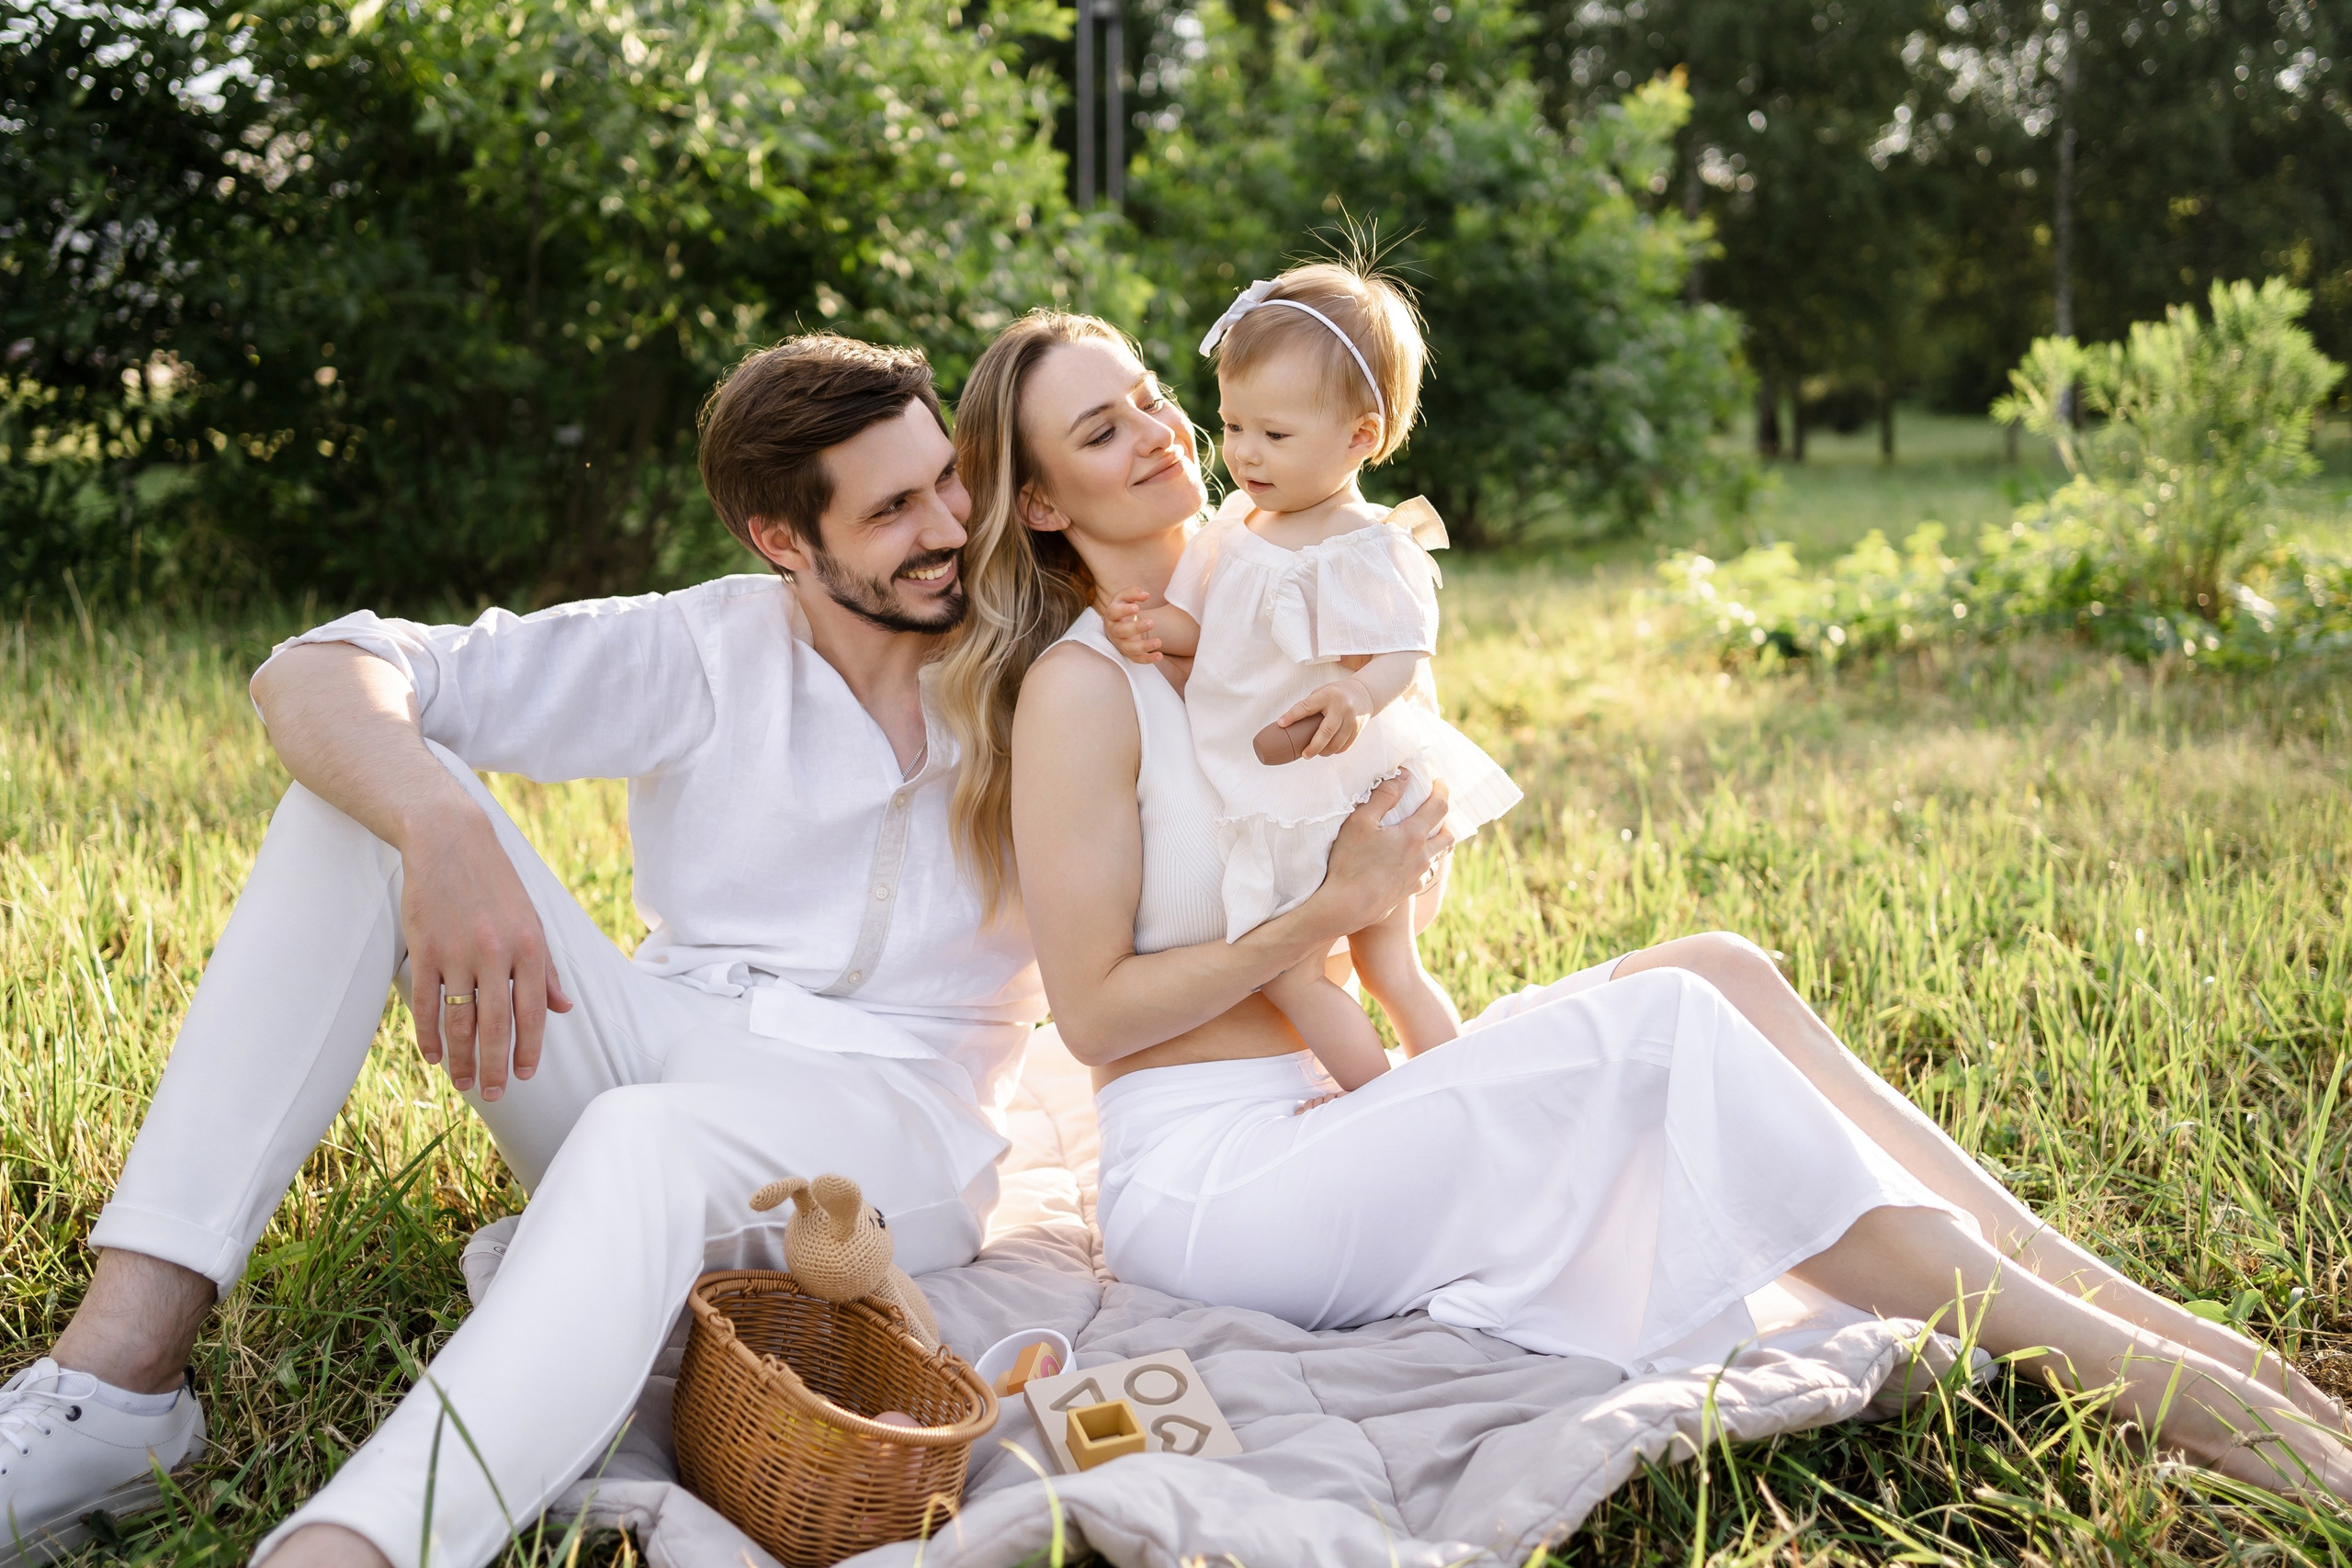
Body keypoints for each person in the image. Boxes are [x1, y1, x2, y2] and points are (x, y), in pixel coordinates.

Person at [951, 308, 2352, 1499]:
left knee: (1717, 962)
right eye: (1100, 430)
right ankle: (2145, 1377)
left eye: (1149, 395)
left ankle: (2139, 1309)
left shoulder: (1256, 581)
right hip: (1218, 1171)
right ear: (1043, 505)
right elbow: (1094, 1015)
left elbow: (1371, 738)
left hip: (1340, 1092)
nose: (1159, 430)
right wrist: (1332, 912)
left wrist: (1389, 858)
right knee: (1664, 1028)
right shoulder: (1082, 687)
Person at [0, 334, 1046, 1568]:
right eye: (894, 509)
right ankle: (116, 1384)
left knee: (644, 1135)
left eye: (946, 480)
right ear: (782, 542)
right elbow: (317, 669)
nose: (949, 523)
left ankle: (356, 1546)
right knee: (366, 796)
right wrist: (440, 823)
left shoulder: (1043, 653)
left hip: (892, 1122)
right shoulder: (706, 647)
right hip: (663, 1040)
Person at [1095, 262, 1519, 1091]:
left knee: (1385, 962)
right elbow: (1213, 637)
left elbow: (1406, 646)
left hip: (1349, 786)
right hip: (1272, 789)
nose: (1245, 454)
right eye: (1233, 426)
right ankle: (1402, 1098)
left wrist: (1359, 692)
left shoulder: (1360, 543)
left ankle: (1433, 1092)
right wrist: (1151, 628)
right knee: (1296, 974)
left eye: (1275, 435)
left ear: (1362, 435)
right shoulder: (1239, 524)